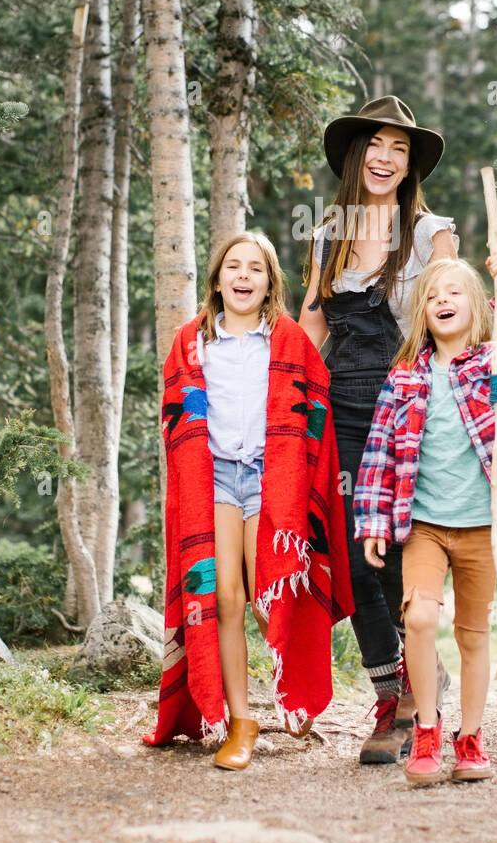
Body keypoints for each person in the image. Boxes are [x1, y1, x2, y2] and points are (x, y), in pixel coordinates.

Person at [143, 232, 353, 770]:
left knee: (271, 593)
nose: (243, 276)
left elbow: (316, 406)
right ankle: (242, 721)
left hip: (270, 479)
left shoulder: (287, 341)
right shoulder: (192, 341)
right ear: (216, 280)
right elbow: (175, 415)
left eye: (255, 269)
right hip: (211, 478)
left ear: (269, 283)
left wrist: (303, 472)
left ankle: (296, 688)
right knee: (225, 601)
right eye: (232, 267)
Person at [353, 254, 497, 785]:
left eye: (454, 293)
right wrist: (373, 521)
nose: (443, 301)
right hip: (423, 525)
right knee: (418, 619)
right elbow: (379, 453)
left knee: (472, 633)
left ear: (478, 306)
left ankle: (470, 738)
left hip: (481, 527)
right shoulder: (405, 379)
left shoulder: (493, 365)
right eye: (433, 295)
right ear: (422, 311)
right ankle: (426, 729)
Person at [299, 95, 457, 764]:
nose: (386, 158)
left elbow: (455, 313)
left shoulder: (432, 234)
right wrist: (288, 401)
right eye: (375, 145)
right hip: (344, 405)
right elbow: (310, 327)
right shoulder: (328, 232)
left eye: (399, 147)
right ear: (356, 155)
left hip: (410, 403)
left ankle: (426, 678)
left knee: (400, 548)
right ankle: (389, 697)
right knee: (356, 552)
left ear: (409, 161)